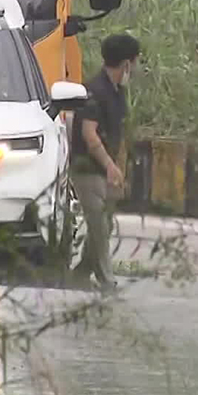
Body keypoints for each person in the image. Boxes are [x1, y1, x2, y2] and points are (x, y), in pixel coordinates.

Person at [69, 33, 141, 291]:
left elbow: (118, 132)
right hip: (86, 168)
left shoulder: (117, 91)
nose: (137, 68)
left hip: (105, 167)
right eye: (136, 62)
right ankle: (106, 279)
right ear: (126, 64)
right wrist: (110, 165)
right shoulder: (95, 91)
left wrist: (117, 168)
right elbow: (89, 134)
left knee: (106, 223)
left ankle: (81, 273)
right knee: (98, 223)